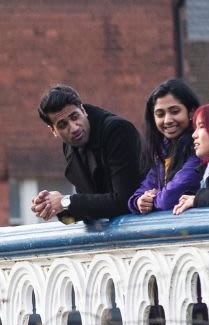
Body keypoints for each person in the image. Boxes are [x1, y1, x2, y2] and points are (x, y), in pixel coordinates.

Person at [30, 85, 145, 224]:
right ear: (53, 130)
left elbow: (125, 201)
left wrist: (65, 201)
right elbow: (83, 214)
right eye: (62, 125)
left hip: (150, 228)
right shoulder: (70, 146)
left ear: (83, 110)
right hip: (115, 234)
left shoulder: (117, 131)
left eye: (74, 116)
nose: (73, 128)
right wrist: (56, 208)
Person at [131, 78, 202, 215]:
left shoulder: (200, 148)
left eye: (175, 111)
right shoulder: (162, 150)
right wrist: (139, 201)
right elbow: (142, 191)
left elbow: (169, 199)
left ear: (191, 112)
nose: (167, 120)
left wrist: (154, 198)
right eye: (160, 114)